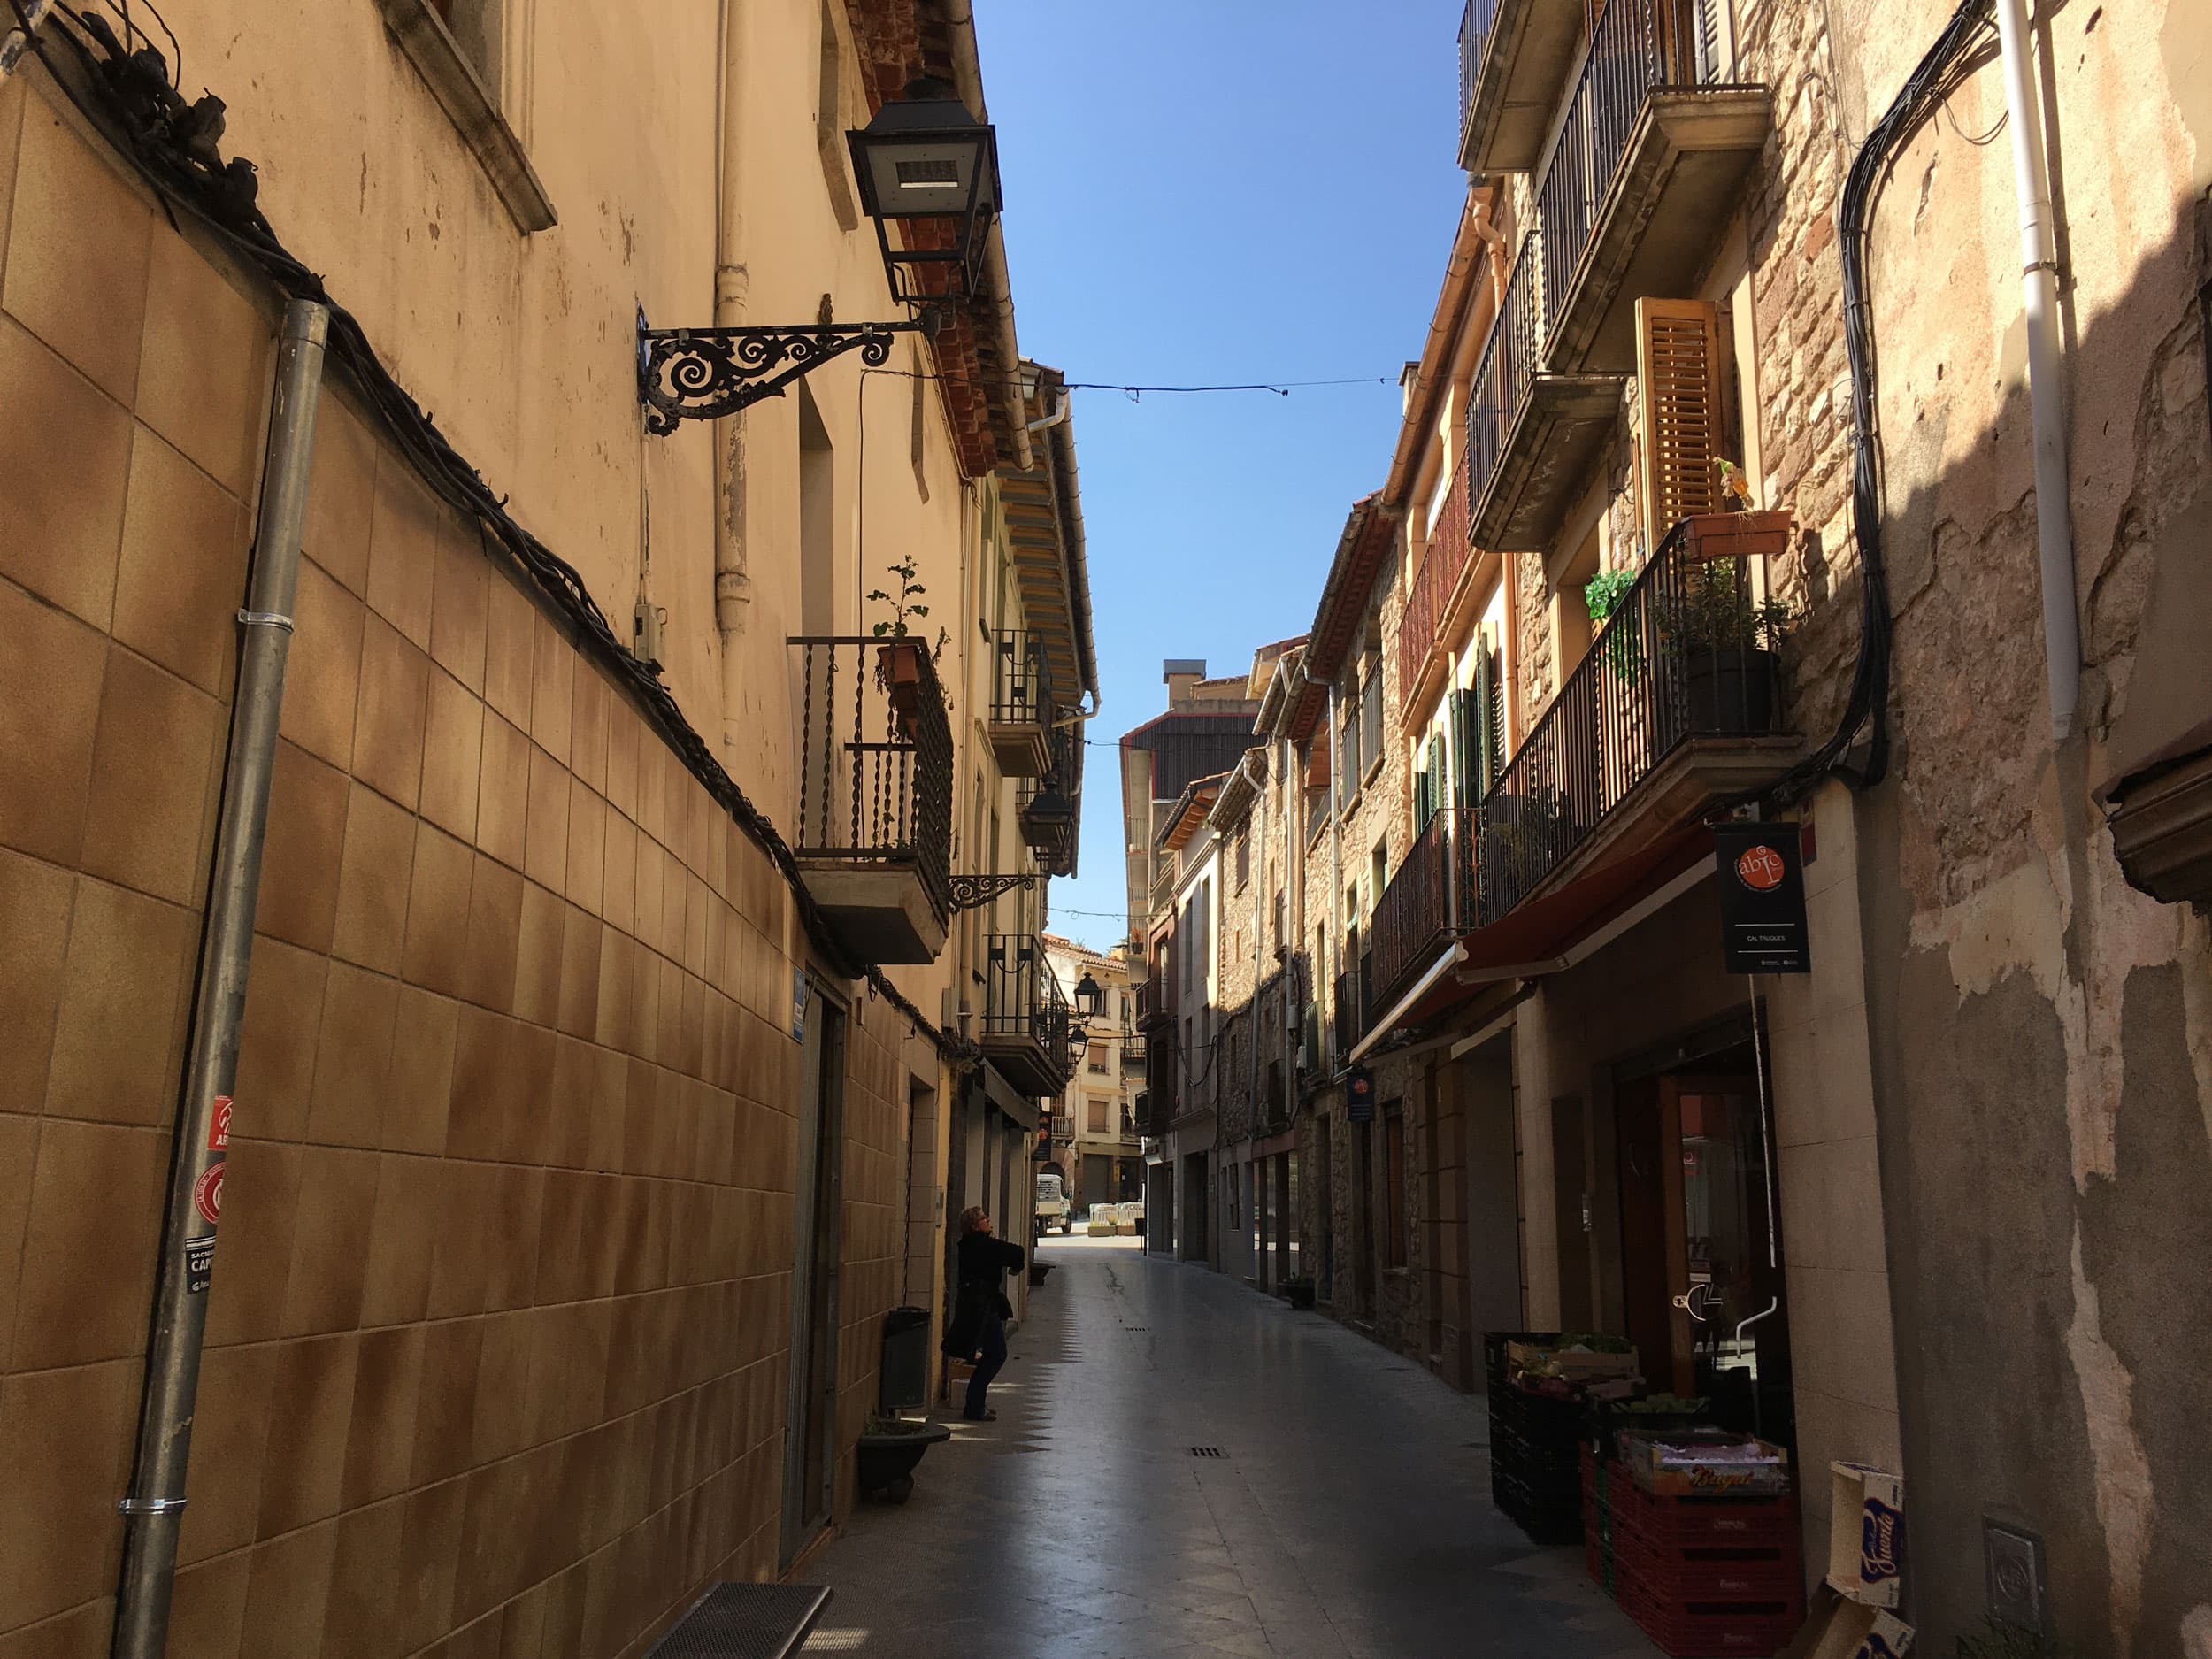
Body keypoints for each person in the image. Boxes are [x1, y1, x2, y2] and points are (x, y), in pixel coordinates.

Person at [941, 1206, 1025, 1421]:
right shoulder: (983, 1245)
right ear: (975, 1226)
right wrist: (1015, 1267)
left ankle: (976, 1404)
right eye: (984, 1219)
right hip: (984, 1308)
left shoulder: (968, 1245)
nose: (989, 1221)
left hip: (974, 1305)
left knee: (989, 1353)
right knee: (996, 1354)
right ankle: (975, 1406)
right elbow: (1016, 1252)